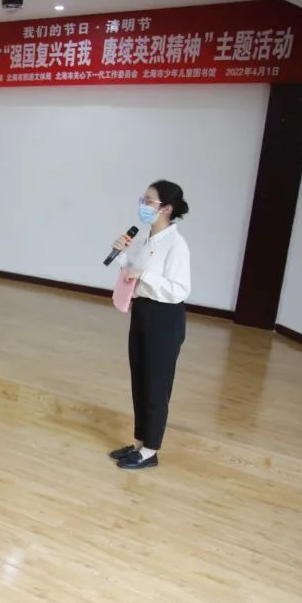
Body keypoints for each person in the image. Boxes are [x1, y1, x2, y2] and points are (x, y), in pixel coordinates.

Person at [108, 180, 191, 470]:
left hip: (165, 318)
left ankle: (151, 450)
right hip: (142, 311)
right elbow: (133, 274)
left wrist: (144, 275)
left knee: (156, 384)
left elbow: (179, 290)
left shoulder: (176, 245)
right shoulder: (145, 238)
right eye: (142, 199)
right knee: (140, 380)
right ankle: (140, 443)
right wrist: (121, 256)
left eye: (148, 200)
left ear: (166, 209)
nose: (143, 205)